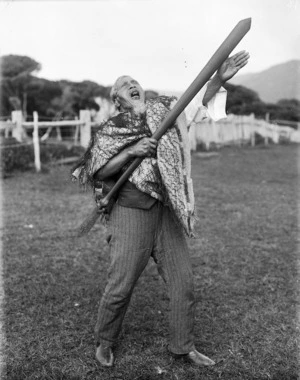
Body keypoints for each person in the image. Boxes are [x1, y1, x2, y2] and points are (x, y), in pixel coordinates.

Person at [72, 51, 249, 367]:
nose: (132, 84)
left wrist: (219, 78)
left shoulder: (164, 111)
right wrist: (133, 152)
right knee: (121, 285)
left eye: (135, 81)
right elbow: (99, 171)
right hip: (130, 213)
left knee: (184, 282)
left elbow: (194, 105)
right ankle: (105, 342)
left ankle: (184, 346)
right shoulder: (111, 128)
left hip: (166, 212)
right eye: (125, 84)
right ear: (117, 98)